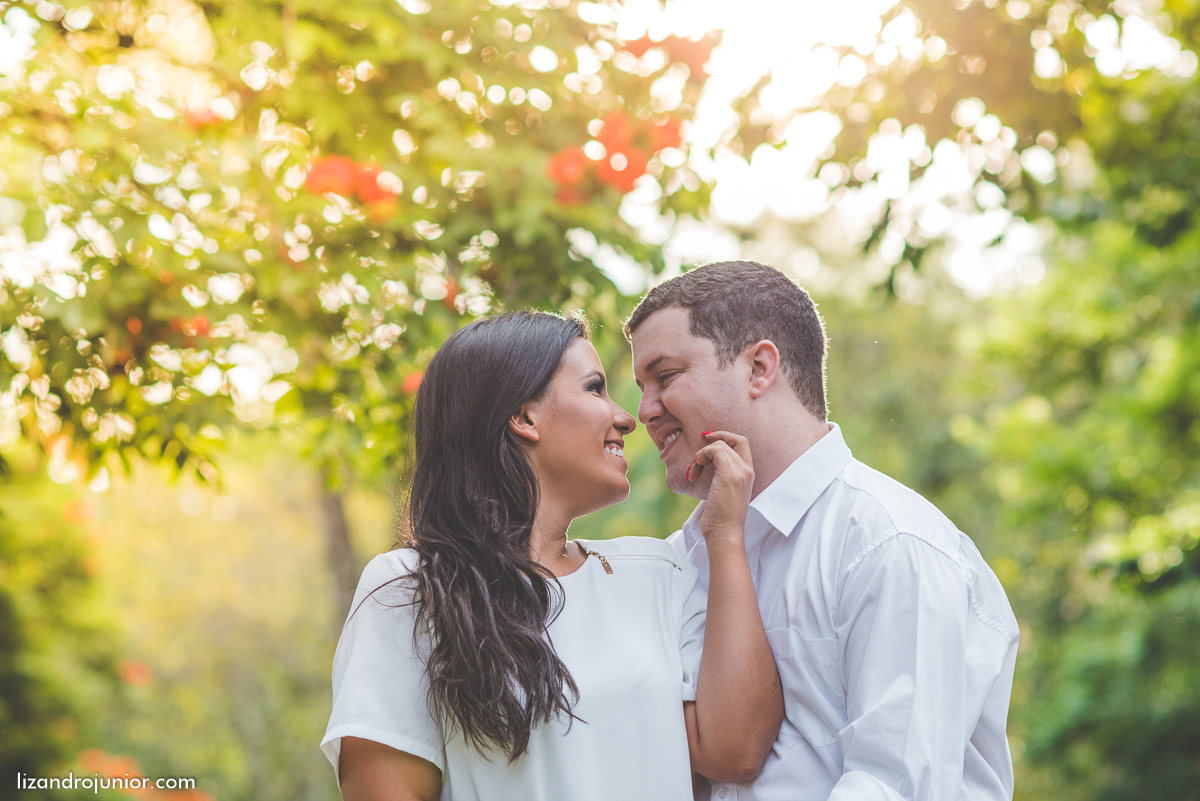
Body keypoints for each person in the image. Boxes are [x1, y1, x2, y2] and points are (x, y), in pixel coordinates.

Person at [321, 310, 783, 801]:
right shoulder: (412, 588)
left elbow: (735, 751)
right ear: (524, 417)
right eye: (594, 388)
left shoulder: (659, 572)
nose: (627, 418)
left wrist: (726, 536)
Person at [626, 260, 1020, 801]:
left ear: (759, 368)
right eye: (641, 386)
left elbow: (894, 785)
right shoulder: (680, 560)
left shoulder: (889, 541)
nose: (644, 412)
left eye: (665, 376)